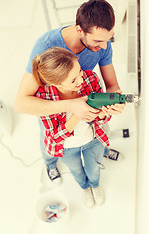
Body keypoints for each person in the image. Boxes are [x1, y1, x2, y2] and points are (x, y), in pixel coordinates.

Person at [15, 0, 125, 183]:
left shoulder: (103, 44)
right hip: (53, 109)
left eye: (108, 39)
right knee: (50, 144)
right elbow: (21, 103)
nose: (104, 47)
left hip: (84, 107)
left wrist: (115, 102)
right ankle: (50, 165)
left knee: (96, 131)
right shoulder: (46, 47)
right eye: (98, 41)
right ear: (79, 30)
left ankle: (102, 149)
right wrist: (72, 106)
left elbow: (112, 84)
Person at [33, 47, 113, 207]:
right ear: (55, 83)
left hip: (94, 139)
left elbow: (103, 118)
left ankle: (95, 185)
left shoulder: (90, 78)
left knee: (94, 168)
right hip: (67, 148)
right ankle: (84, 188)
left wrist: (104, 113)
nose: (81, 81)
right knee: (77, 171)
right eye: (73, 81)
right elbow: (55, 136)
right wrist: (77, 112)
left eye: (80, 72)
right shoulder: (44, 97)